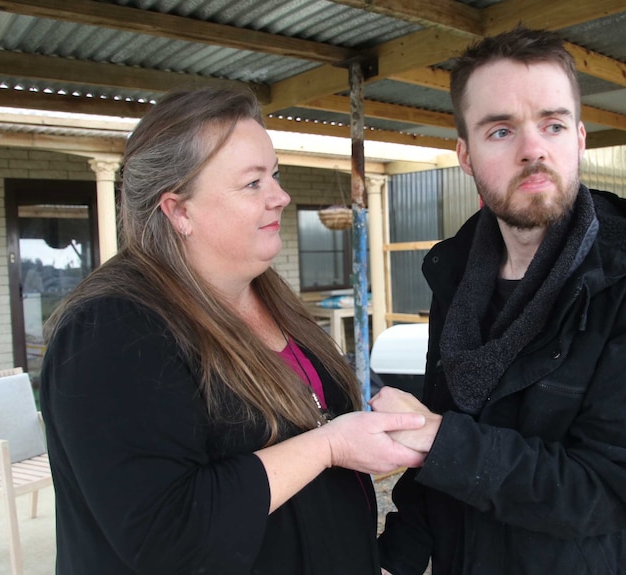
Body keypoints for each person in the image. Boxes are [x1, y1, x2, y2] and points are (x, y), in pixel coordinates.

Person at [40, 87, 426, 575]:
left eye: (276, 175)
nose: (280, 197)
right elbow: (168, 532)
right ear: (179, 211)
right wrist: (329, 446)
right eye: (252, 184)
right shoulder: (112, 330)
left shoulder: (268, 295)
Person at [370, 26, 626, 575]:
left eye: (553, 124)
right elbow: (446, 451)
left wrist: (443, 439)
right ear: (466, 155)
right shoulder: (457, 282)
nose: (533, 149)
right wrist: (391, 556)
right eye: (500, 130)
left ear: (580, 139)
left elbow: (611, 489)